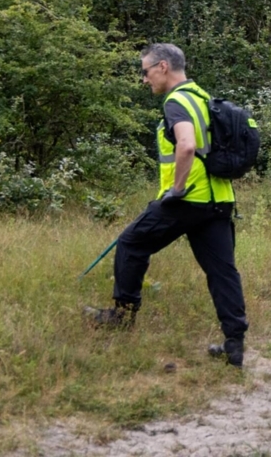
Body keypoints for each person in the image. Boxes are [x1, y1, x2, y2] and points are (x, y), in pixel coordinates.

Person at [84, 43, 249, 368]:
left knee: (131, 242)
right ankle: (235, 345)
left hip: (187, 199)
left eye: (145, 72)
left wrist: (176, 189)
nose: (144, 80)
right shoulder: (202, 96)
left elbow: (186, 145)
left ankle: (121, 315)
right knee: (222, 271)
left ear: (162, 67)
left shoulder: (176, 101)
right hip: (219, 200)